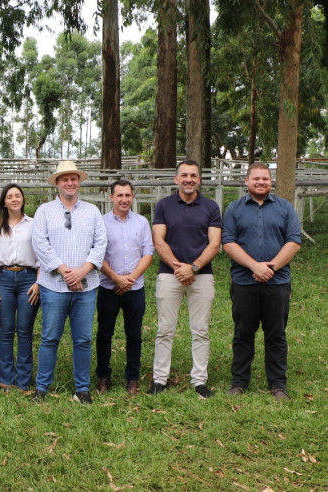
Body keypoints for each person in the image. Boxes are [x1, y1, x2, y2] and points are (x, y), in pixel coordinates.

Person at [222, 163, 301, 401]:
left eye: (265, 178)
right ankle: (239, 382)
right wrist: (254, 266)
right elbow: (228, 242)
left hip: (277, 283)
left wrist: (271, 267)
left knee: (276, 334)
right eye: (256, 178)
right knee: (243, 333)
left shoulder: (285, 208)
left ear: (270, 181)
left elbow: (294, 241)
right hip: (244, 282)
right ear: (246, 181)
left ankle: (278, 385)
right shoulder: (234, 208)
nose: (261, 182)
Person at [31, 160, 107, 405]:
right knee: (49, 337)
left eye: (73, 178)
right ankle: (42, 388)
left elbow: (100, 244)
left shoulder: (92, 212)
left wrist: (82, 272)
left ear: (79, 182)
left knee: (83, 340)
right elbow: (40, 244)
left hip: (86, 287)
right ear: (57, 183)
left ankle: (82, 389)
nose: (70, 183)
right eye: (65, 179)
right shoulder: (44, 211)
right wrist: (65, 272)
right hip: (54, 286)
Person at [149, 160, 222, 398]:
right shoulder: (164, 205)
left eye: (193, 175)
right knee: (164, 329)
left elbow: (214, 243)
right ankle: (159, 380)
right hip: (169, 274)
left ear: (199, 179)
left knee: (200, 330)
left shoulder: (211, 207)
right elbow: (159, 240)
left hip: (202, 275)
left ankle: (199, 381)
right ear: (176, 179)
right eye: (184, 175)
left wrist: (194, 267)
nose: (189, 179)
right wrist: (178, 267)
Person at [96, 180, 154, 396]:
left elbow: (148, 252)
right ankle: (103, 376)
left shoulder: (141, 222)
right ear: (111, 197)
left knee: (134, 335)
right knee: (104, 333)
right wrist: (116, 279)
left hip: (135, 288)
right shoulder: (101, 222)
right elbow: (97, 254)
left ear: (132, 197)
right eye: (119, 195)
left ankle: (132, 379)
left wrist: (130, 279)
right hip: (108, 287)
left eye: (128, 195)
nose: (124, 199)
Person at [0, 183, 40, 391]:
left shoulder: (34, 224)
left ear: (23, 199)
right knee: (6, 331)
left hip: (29, 279)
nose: (14, 199)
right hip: (4, 279)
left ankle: (24, 380)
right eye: (10, 196)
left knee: (25, 331)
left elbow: (41, 254)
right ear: (4, 202)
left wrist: (38, 282)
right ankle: (6, 380)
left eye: (17, 195)